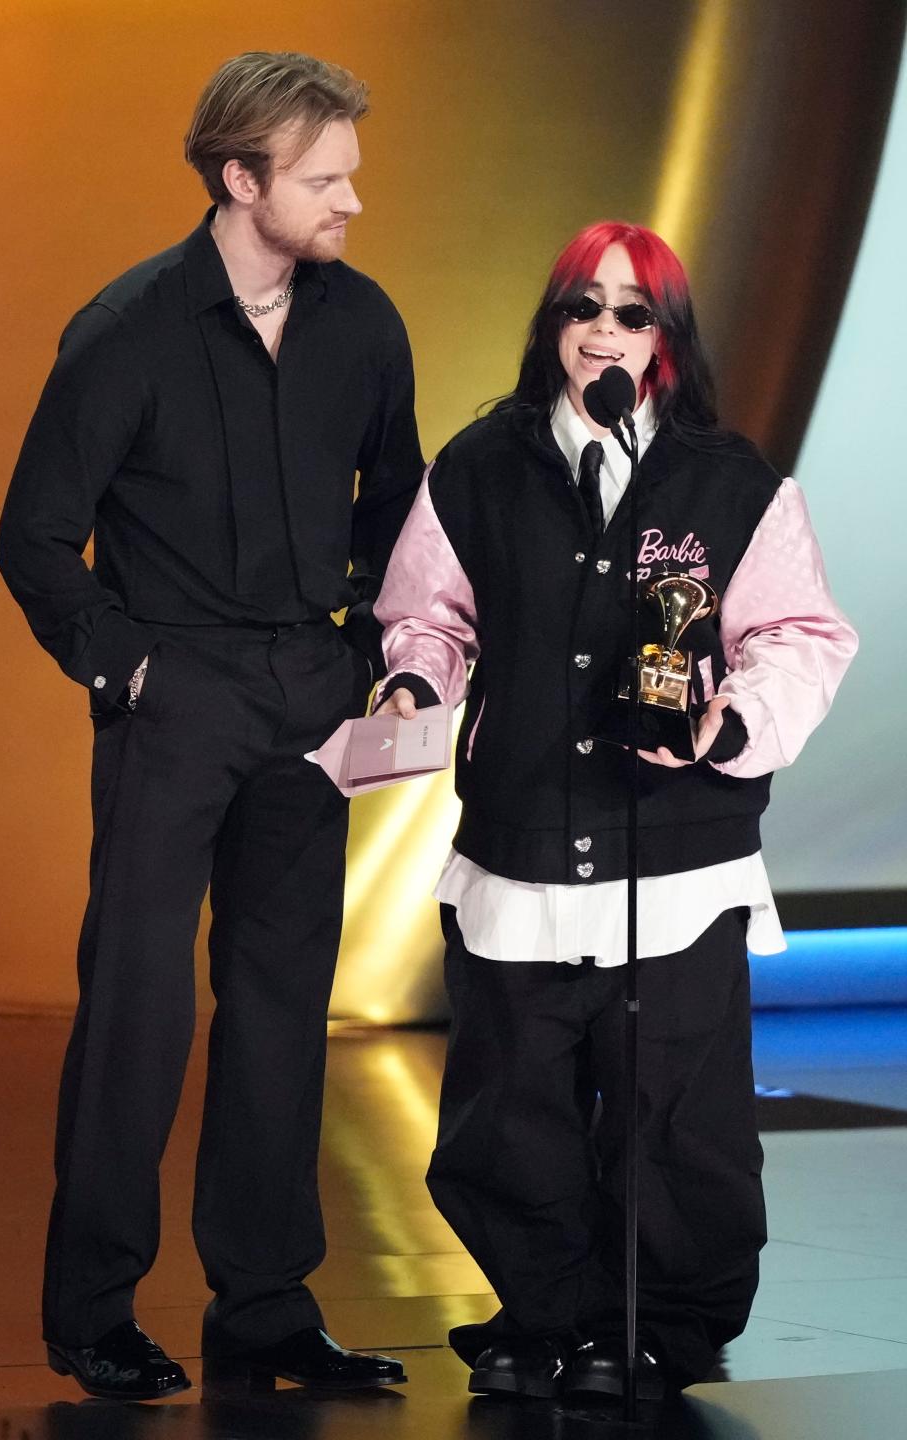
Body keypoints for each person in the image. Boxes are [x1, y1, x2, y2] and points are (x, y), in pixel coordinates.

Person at [0, 51, 422, 1401]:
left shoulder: (364, 326)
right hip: (174, 703)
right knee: (137, 1008)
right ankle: (93, 1314)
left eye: (350, 171)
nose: (354, 199)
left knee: (285, 1009)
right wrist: (131, 676)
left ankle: (266, 1307)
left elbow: (398, 509)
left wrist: (370, 648)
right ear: (242, 180)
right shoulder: (125, 331)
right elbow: (34, 540)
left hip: (311, 699)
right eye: (324, 177)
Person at [374, 221, 857, 1402]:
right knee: (509, 1112)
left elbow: (798, 636)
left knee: (676, 1120)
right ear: (553, 329)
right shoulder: (480, 469)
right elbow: (428, 615)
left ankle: (658, 1329)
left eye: (632, 313)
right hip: (522, 844)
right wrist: (411, 677)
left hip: (677, 859)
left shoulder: (731, 483)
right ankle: (547, 1313)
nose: (603, 331)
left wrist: (727, 721)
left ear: (667, 343)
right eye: (583, 308)